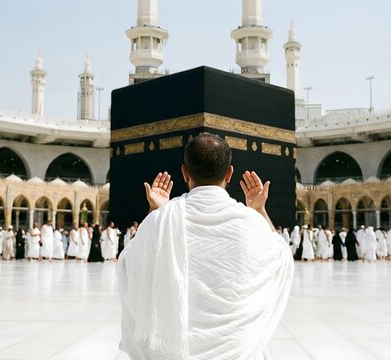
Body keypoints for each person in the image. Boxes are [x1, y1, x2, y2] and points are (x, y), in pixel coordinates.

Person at [118, 134, 293, 359]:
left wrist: (156, 212)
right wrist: (259, 210)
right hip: (237, 352)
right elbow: (282, 259)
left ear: (184, 173)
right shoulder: (251, 221)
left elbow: (128, 265)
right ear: (229, 173)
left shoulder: (162, 219)